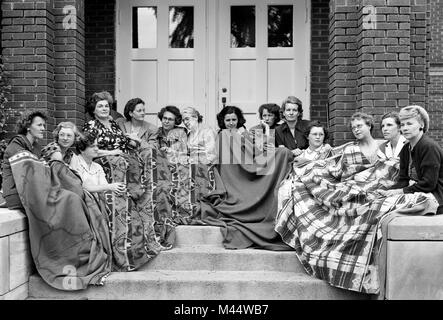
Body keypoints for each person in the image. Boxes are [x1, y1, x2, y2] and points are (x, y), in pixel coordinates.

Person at [385, 105, 443, 214]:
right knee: (379, 200)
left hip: (435, 198)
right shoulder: (405, 149)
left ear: (422, 125)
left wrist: (400, 191)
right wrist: (388, 192)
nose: (405, 128)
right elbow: (403, 180)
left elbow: (429, 183)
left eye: (409, 124)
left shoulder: (429, 147)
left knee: (385, 209)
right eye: (402, 125)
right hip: (416, 193)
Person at [1, 111, 46, 210]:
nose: (43, 128)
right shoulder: (16, 144)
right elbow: (32, 172)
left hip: (30, 191)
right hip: (16, 195)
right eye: (39, 125)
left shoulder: (36, 147)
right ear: (28, 126)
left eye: (43, 125)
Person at [83, 91, 138, 156]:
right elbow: (88, 151)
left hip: (124, 160)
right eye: (100, 106)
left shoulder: (114, 124)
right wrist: (111, 153)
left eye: (106, 106)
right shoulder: (91, 126)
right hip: (105, 162)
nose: (104, 109)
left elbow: (121, 145)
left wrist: (133, 141)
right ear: (93, 110)